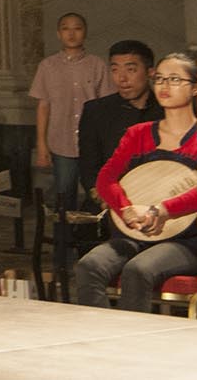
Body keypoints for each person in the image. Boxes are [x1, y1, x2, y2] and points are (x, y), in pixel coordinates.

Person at [74, 50, 197, 312]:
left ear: (194, 88)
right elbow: (106, 178)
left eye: (175, 80)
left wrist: (162, 210)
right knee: (89, 266)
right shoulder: (138, 134)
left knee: (139, 270)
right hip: (135, 231)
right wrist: (126, 209)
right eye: (161, 79)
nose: (165, 86)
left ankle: (130, 346)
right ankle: (100, 338)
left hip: (188, 239)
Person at [31, 12, 113, 215]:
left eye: (77, 28)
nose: (71, 33)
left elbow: (106, 105)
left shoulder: (97, 65)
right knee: (64, 194)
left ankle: (88, 241)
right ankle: (63, 243)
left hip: (92, 142)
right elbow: (43, 106)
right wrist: (42, 145)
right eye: (66, 28)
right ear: (59, 33)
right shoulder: (48, 66)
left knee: (95, 194)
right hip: (61, 140)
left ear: (85, 33)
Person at [78, 40, 162, 203]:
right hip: (110, 202)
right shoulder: (96, 110)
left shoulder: (170, 110)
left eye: (131, 70)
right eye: (115, 70)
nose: (122, 78)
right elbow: (89, 168)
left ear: (150, 72)